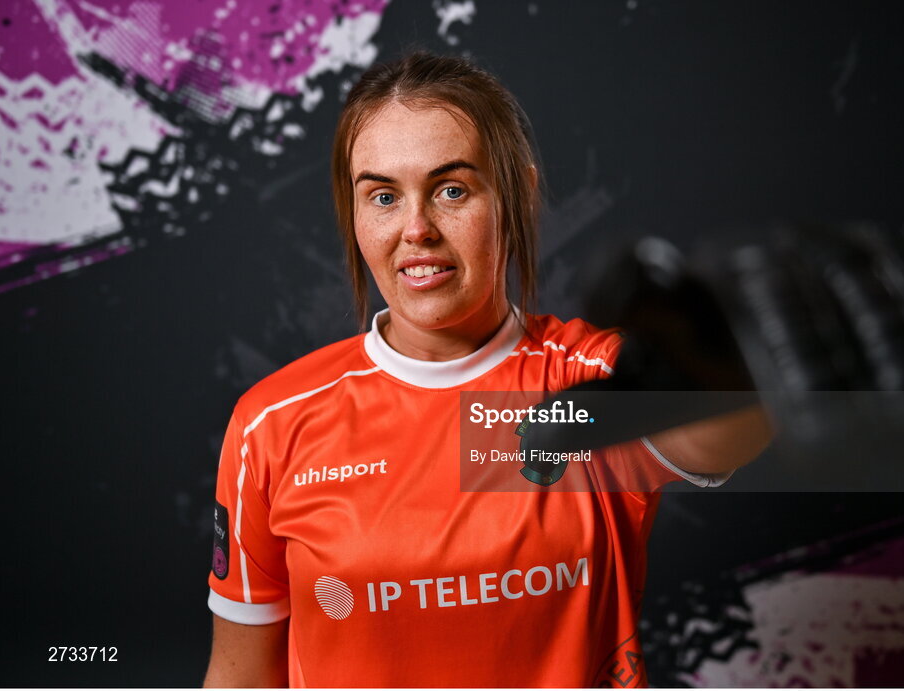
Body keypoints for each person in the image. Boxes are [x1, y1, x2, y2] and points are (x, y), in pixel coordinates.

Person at [203, 51, 771, 687]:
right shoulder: (271, 425)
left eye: (451, 189)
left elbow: (722, 436)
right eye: (383, 196)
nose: (416, 229)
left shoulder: (590, 375)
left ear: (517, 195)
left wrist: (734, 373)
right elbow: (239, 676)